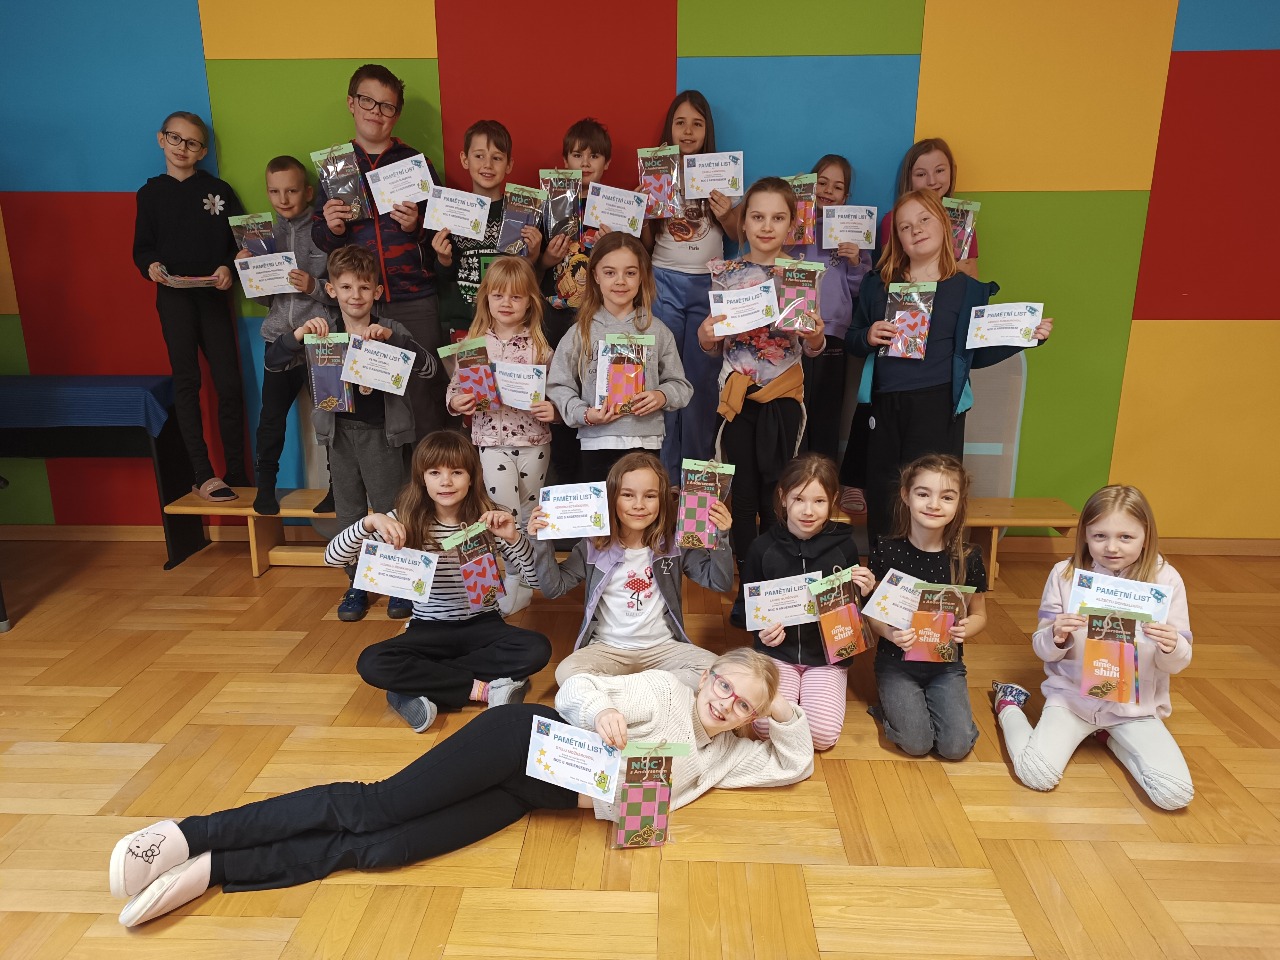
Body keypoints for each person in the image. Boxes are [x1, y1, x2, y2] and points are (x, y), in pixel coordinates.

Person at [108, 649, 813, 928]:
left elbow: (796, 764)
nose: (727, 702)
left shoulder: (724, 756)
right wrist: (599, 712)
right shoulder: (663, 691)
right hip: (523, 740)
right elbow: (578, 686)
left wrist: (784, 707)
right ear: (707, 676)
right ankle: (188, 834)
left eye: (744, 704)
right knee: (376, 807)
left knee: (385, 850)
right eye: (725, 685)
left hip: (534, 795)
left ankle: (218, 869)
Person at [844, 189, 1053, 544]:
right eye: (905, 226)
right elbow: (852, 339)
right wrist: (867, 336)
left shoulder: (967, 290)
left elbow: (975, 354)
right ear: (898, 238)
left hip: (939, 405)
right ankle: (883, 570)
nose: (916, 230)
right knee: (886, 491)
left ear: (944, 224)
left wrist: (1025, 337)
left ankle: (931, 569)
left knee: (933, 492)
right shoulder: (878, 286)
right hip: (885, 404)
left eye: (924, 220)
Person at [328, 430, 551, 731]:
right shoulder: (403, 518)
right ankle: (483, 690)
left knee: (537, 648)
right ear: (422, 478)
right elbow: (333, 558)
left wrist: (514, 538)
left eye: (456, 472)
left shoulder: (490, 517)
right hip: (428, 628)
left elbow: (535, 581)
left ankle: (418, 684)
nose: (446, 481)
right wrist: (368, 522)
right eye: (435, 472)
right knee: (371, 661)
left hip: (484, 625)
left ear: (472, 477)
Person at [991, 485, 1194, 810]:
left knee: (1175, 795)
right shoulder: (1065, 575)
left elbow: (1177, 663)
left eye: (1125, 537)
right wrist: (1056, 636)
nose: (1112, 547)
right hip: (1072, 701)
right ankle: (1008, 704)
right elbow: (1043, 648)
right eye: (1099, 536)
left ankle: (1109, 736)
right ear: (1085, 534)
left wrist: (1173, 647)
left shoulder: (1165, 580)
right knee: (1036, 774)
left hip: (1134, 708)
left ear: (1146, 535)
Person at [266, 245, 429, 622]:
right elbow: (273, 363)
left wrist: (393, 341)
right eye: (346, 287)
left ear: (377, 291)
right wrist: (299, 334)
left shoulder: (392, 330)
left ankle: (397, 582)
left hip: (383, 436)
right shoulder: (322, 332)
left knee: (391, 510)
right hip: (339, 436)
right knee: (350, 513)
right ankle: (356, 583)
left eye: (364, 287)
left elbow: (429, 369)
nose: (355, 295)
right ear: (331, 290)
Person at [695, 177, 826, 624]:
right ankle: (748, 590)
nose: (767, 226)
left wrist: (816, 336)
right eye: (757, 217)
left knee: (779, 495)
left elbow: (813, 347)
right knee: (744, 497)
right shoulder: (726, 273)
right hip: (738, 399)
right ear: (743, 222)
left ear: (792, 224)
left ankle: (777, 590)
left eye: (777, 217)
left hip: (783, 399)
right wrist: (706, 335)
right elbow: (713, 344)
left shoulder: (801, 274)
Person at [311, 64, 445, 438]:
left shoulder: (416, 163)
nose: (376, 111)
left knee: (422, 396)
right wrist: (333, 228)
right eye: (368, 101)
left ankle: (428, 476)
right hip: (356, 304)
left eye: (387, 106)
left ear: (396, 114)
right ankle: (371, 474)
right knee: (360, 403)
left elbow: (443, 234)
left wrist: (416, 226)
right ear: (351, 103)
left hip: (413, 299)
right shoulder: (333, 166)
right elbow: (320, 237)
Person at [530, 451, 732, 687]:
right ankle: (653, 689)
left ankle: (623, 690)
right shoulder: (593, 545)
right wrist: (541, 542)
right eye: (627, 495)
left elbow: (720, 582)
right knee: (566, 672)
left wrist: (721, 537)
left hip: (663, 648)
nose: (639, 505)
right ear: (612, 498)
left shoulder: (675, 544)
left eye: (650, 496)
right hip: (608, 649)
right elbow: (553, 589)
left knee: (719, 674)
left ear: (662, 499)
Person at [132, 110, 248, 500]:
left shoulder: (219, 190)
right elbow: (142, 248)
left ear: (202, 151)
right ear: (161, 139)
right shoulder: (150, 193)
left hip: (213, 296)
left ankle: (237, 471)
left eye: (192, 142)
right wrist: (151, 266)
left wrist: (230, 267)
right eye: (175, 138)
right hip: (173, 298)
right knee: (187, 382)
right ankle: (203, 472)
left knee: (229, 383)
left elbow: (243, 242)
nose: (182, 147)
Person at [445, 257, 557, 614]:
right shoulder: (473, 345)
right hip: (491, 443)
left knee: (530, 514)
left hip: (535, 442)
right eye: (498, 295)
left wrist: (552, 408)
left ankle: (532, 579)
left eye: (516, 296)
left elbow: (557, 391)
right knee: (501, 513)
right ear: (486, 299)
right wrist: (457, 402)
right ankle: (512, 579)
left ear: (530, 302)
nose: (506, 303)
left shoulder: (540, 346)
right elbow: (454, 390)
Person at [644, 91, 741, 479]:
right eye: (680, 123)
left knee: (702, 379)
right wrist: (644, 213)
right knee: (664, 375)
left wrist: (728, 213)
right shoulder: (656, 173)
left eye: (696, 124)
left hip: (709, 283)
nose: (687, 131)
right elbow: (647, 242)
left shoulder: (723, 173)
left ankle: (697, 475)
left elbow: (736, 235)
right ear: (669, 128)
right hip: (662, 280)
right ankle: (664, 476)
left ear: (707, 131)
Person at [864, 454, 987, 760]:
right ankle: (891, 709)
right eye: (923, 494)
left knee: (956, 748)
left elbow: (980, 614)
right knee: (917, 744)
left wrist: (967, 628)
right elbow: (873, 616)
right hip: (896, 663)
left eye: (947, 497)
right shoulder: (886, 550)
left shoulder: (968, 557)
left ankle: (924, 709)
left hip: (946, 666)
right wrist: (889, 633)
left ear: (959, 502)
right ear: (906, 495)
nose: (934, 504)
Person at [747, 454, 874, 749]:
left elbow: (851, 611)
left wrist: (864, 592)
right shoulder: (762, 548)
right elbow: (746, 610)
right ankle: (796, 706)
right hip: (778, 653)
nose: (808, 511)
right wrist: (761, 633)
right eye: (798, 499)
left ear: (833, 500)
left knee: (823, 736)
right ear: (783, 497)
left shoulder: (845, 547)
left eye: (819, 501)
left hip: (827, 658)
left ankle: (809, 704)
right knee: (764, 728)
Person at [546, 232, 692, 482]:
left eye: (630, 273)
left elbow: (681, 385)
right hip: (596, 441)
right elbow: (558, 385)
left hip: (646, 442)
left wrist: (661, 395)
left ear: (642, 276)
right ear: (595, 275)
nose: (620, 281)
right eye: (610, 272)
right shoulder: (581, 331)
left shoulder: (657, 330)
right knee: (602, 506)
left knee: (640, 503)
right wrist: (584, 414)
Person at [238, 155, 331, 515]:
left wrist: (313, 286)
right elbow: (265, 299)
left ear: (307, 192)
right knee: (271, 418)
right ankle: (265, 489)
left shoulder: (325, 232)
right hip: (279, 338)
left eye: (291, 191)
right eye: (275, 192)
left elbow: (342, 290)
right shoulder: (262, 237)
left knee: (331, 416)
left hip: (321, 338)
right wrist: (249, 273)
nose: (283, 199)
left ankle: (337, 488)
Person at [540, 117, 613, 487]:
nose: (585, 162)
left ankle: (595, 481)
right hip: (556, 316)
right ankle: (565, 482)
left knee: (596, 395)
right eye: (577, 155)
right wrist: (548, 258)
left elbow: (635, 263)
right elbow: (530, 265)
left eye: (594, 156)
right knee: (560, 396)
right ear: (564, 161)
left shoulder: (616, 208)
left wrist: (616, 243)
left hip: (601, 318)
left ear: (606, 163)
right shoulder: (549, 203)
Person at [789, 154, 873, 462]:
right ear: (809, 186)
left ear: (846, 197)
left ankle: (823, 475)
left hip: (834, 332)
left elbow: (860, 290)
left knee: (826, 408)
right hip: (793, 329)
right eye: (821, 183)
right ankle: (792, 474)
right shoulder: (792, 226)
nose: (828, 191)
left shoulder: (852, 234)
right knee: (793, 405)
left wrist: (856, 261)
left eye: (837, 187)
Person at [433, 120, 542, 337]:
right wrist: (443, 260)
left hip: (510, 324)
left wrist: (533, 255)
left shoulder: (522, 211)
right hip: (465, 322)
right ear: (465, 159)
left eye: (497, 158)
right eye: (479, 156)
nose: (488, 165)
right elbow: (443, 275)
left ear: (509, 164)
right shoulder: (450, 210)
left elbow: (527, 275)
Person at [877, 138, 979, 279]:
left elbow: (971, 275)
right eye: (921, 174)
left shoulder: (963, 220)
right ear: (909, 178)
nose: (932, 181)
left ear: (952, 170)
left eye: (939, 170)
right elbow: (891, 277)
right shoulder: (893, 219)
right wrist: (950, 271)